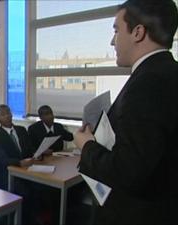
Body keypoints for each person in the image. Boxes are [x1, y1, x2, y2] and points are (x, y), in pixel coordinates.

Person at [73, 0, 178, 224]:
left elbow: (128, 172)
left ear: (138, 32)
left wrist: (86, 145)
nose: (112, 40)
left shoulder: (148, 83)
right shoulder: (170, 73)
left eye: (116, 30)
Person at [0, 104, 35, 190]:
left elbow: (29, 149)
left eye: (8, 113)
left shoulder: (22, 130)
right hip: (9, 171)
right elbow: (3, 159)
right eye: (3, 115)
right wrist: (19, 162)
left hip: (28, 168)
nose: (7, 116)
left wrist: (36, 153)